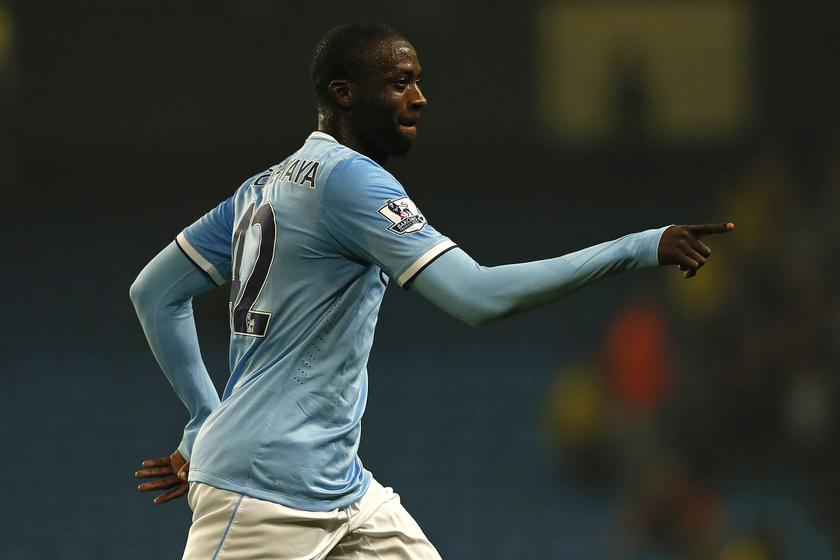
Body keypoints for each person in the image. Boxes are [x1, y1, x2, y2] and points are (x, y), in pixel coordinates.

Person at [130, 23, 733, 560]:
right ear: (344, 94)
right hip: (262, 494)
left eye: (417, 81)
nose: (419, 97)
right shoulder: (351, 182)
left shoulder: (259, 189)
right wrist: (638, 246)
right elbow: (479, 297)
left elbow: (154, 293)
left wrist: (206, 418)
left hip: (339, 490)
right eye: (399, 83)